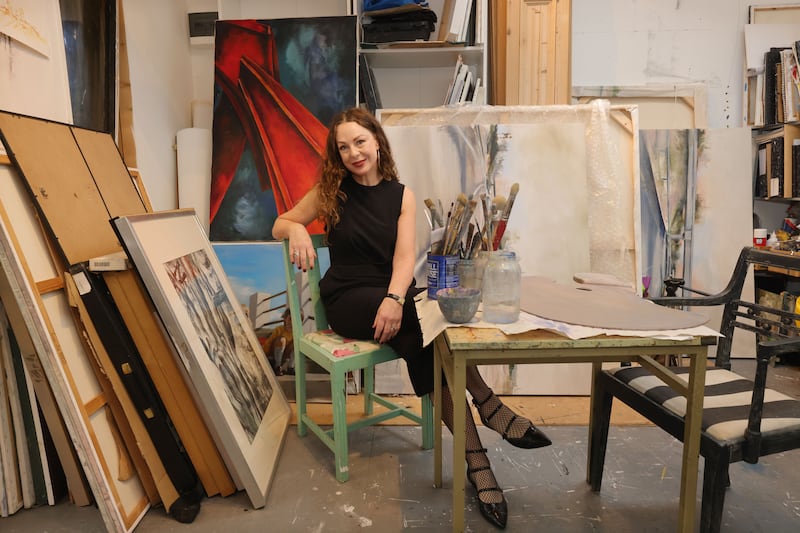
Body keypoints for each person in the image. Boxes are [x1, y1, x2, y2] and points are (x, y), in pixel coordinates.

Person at [272, 107, 551, 530]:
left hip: (390, 294)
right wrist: (295, 229)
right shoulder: (331, 191)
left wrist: (392, 298)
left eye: (360, 142)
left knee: (433, 319)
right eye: (343, 147)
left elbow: (404, 261)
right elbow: (280, 222)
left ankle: (477, 458)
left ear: (377, 141)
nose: (353, 153)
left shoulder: (400, 195)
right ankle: (488, 409)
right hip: (347, 299)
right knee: (423, 324)